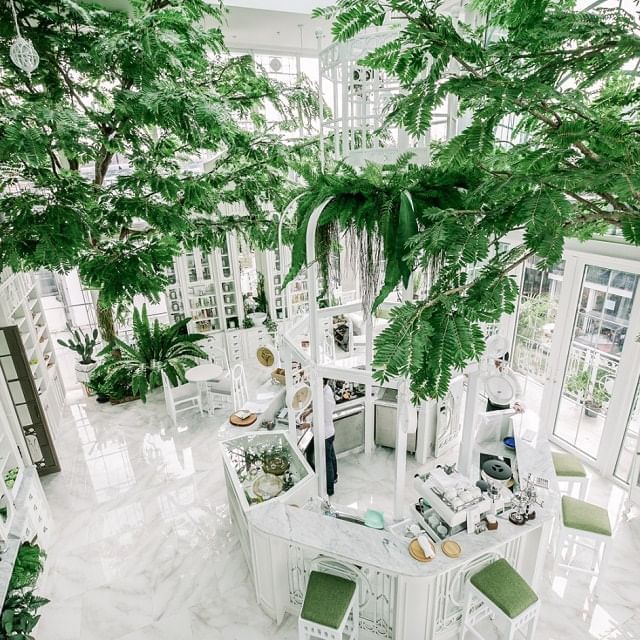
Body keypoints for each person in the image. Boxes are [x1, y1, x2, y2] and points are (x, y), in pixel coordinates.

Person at [323, 378, 338, 496]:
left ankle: (329, 489)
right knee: (332, 456)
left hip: (325, 434)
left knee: (327, 461)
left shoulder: (325, 397)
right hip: (330, 432)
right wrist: (309, 410)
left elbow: (325, 417)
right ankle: (335, 477)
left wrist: (308, 424)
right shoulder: (327, 389)